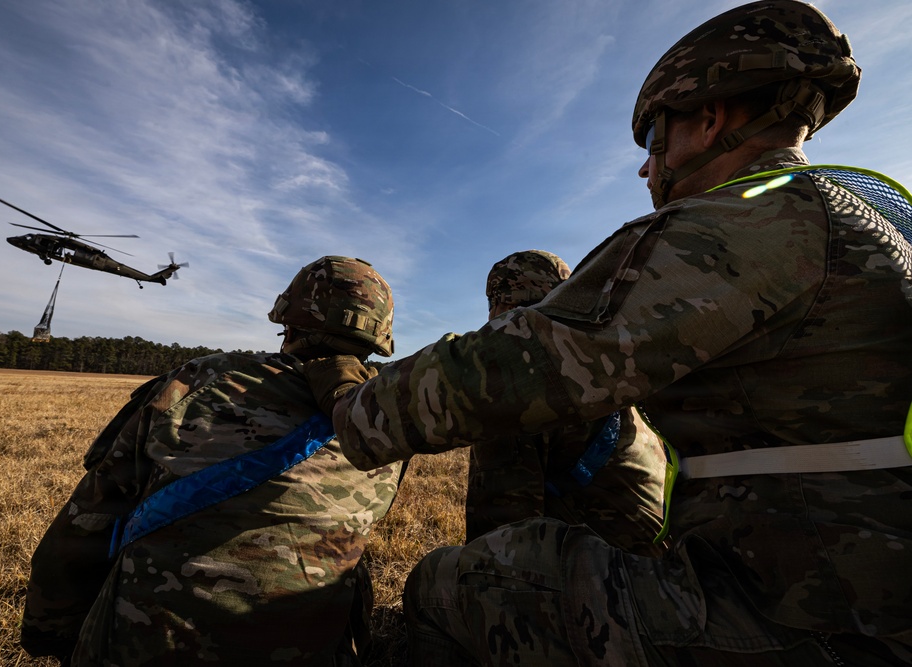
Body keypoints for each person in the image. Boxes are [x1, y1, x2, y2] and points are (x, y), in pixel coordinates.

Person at [307, 1, 912, 664]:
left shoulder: (739, 225)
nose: (646, 168)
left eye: (655, 140)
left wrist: (349, 404)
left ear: (708, 121)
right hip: (859, 598)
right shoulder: (875, 215)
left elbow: (513, 365)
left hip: (796, 618)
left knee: (453, 582)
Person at [21, 255, 403, 666]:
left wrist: (51, 635)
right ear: (377, 338)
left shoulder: (201, 379)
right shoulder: (387, 420)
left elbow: (89, 521)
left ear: (289, 321)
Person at [466, 250, 666, 557]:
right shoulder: (610, 365)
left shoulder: (518, 380)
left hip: (615, 582)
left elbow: (500, 540)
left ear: (501, 306)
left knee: (434, 577)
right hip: (661, 568)